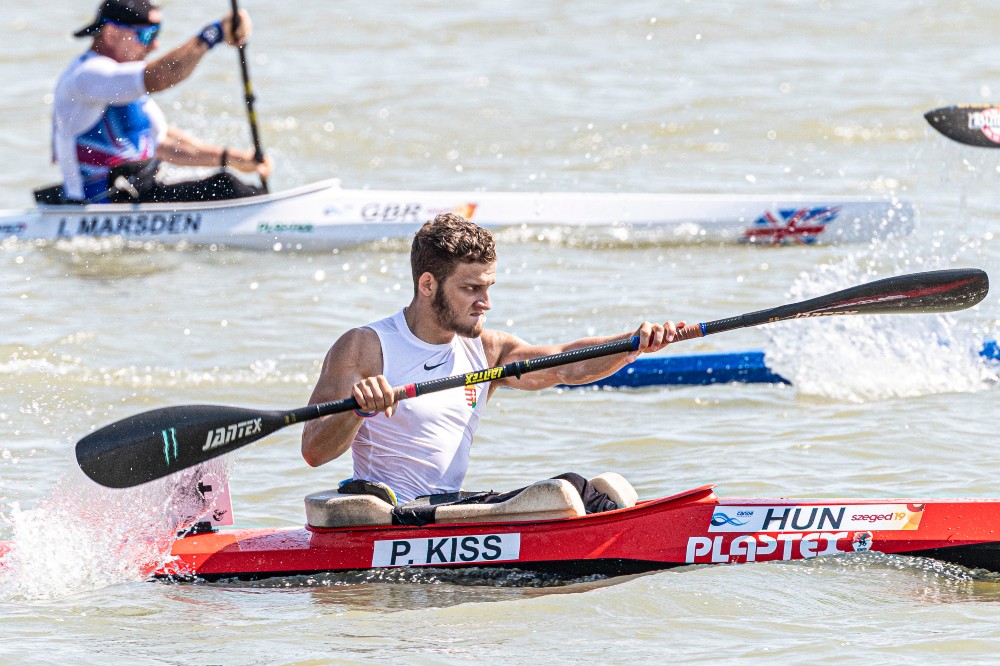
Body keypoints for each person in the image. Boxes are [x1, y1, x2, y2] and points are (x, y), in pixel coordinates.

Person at [301, 213, 683, 514]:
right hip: (387, 514)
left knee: (600, 493)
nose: (485, 302)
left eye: (488, 288)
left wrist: (632, 344)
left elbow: (566, 364)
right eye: (471, 289)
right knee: (570, 490)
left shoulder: (487, 351)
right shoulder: (366, 347)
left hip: (445, 510)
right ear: (428, 285)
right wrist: (357, 411)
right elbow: (314, 451)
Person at [51, 0, 273, 204]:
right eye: (147, 35)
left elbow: (165, 144)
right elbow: (159, 77)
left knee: (226, 182)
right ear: (110, 34)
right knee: (227, 188)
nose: (155, 45)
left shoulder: (118, 85)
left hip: (138, 198)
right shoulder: (86, 76)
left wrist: (232, 158)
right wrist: (214, 34)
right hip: (98, 208)